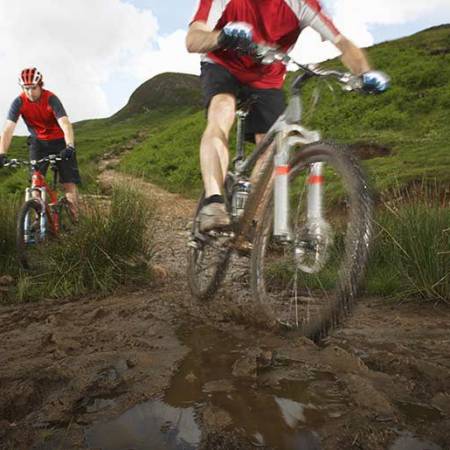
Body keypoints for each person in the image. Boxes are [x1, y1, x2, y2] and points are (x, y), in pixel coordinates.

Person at [186, 0, 389, 232]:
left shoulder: (301, 4)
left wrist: (363, 72)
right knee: (221, 110)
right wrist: (221, 38)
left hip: (266, 77)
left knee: (274, 146)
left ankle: (249, 218)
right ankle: (213, 202)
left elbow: (341, 42)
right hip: (223, 64)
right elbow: (193, 39)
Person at [0, 67, 80, 217]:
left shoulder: (51, 99)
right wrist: (2, 153)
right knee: (35, 184)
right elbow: (8, 129)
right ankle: (37, 224)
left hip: (60, 142)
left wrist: (70, 146)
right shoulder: (19, 102)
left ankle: (76, 221)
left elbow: (65, 123)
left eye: (33, 88)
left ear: (40, 85)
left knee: (68, 184)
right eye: (26, 88)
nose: (30, 92)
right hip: (38, 144)